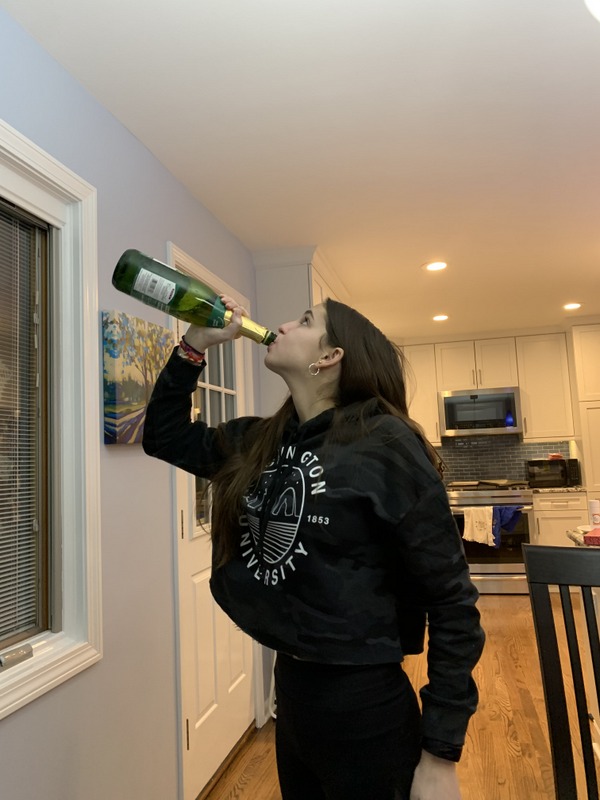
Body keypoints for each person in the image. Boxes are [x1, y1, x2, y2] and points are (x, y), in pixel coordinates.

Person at [143, 296, 485, 800]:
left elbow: (453, 602)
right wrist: (194, 345)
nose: (283, 325)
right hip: (292, 692)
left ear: (330, 356)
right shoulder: (263, 441)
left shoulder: (386, 445)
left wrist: (439, 754)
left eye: (305, 321)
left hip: (364, 706)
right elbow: (163, 435)